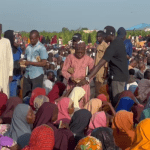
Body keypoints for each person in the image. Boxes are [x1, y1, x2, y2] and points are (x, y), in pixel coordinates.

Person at [78, 26, 129, 107]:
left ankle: (116, 118)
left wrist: (88, 78)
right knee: (116, 101)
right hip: (121, 77)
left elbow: (100, 64)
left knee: (116, 102)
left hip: (117, 78)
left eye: (105, 35)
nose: (104, 37)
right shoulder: (119, 41)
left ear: (111, 35)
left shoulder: (112, 46)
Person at [62, 41, 94, 107]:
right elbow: (64, 70)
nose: (79, 54)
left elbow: (93, 73)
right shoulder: (70, 57)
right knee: (71, 105)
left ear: (84, 50)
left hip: (84, 85)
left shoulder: (89, 59)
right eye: (78, 52)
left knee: (83, 104)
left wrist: (86, 80)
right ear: (75, 50)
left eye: (81, 52)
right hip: (72, 84)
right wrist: (70, 77)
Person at [20, 30, 48, 99]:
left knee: (35, 97)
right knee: (25, 96)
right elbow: (26, 58)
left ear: (37, 38)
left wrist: (30, 63)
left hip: (37, 75)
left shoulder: (41, 48)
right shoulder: (28, 47)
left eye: (33, 39)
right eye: (30, 38)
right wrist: (22, 61)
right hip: (27, 74)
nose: (31, 40)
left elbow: (44, 63)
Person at [4, 30, 23, 97]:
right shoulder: (4, 48)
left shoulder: (16, 48)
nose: (14, 38)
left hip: (15, 76)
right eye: (13, 36)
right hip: (8, 76)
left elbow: (21, 54)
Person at [0, 24, 14, 98]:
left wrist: (10, 74)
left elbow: (10, 59)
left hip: (4, 73)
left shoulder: (6, 42)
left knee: (4, 93)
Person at [95, 31, 108, 97]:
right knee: (96, 86)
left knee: (99, 86)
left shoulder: (105, 46)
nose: (98, 38)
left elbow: (106, 59)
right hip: (96, 68)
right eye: (97, 36)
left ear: (103, 37)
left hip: (101, 69)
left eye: (99, 36)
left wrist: (105, 70)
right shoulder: (98, 45)